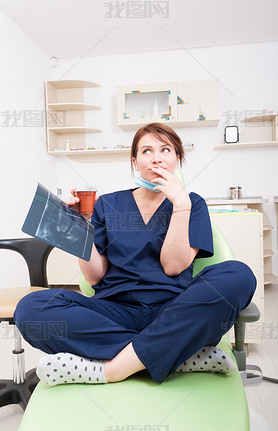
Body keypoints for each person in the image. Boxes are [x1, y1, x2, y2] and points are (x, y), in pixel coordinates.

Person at [14, 123, 256, 386]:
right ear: (135, 161)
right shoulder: (108, 204)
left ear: (177, 159)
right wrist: (78, 229)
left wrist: (180, 204)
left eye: (166, 149)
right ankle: (178, 354)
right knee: (30, 308)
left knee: (239, 274)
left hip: (175, 310)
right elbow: (95, 277)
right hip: (114, 311)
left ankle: (113, 369)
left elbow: (173, 267)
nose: (156, 157)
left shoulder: (192, 203)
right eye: (146, 151)